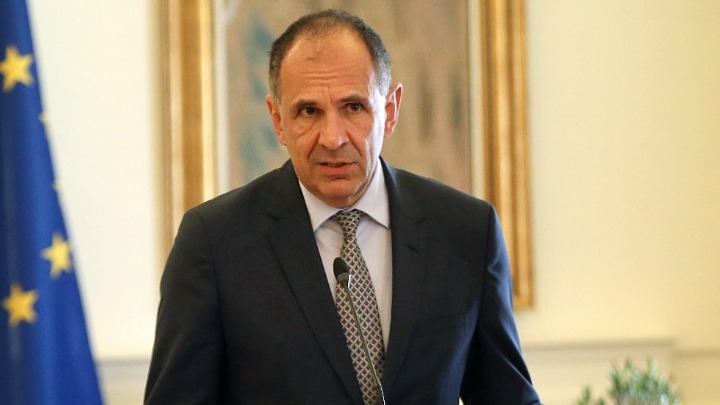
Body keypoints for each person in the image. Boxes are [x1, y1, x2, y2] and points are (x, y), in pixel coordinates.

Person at [145, 9, 541, 405]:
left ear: (389, 111)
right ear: (278, 120)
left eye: (353, 107)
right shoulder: (215, 243)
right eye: (309, 111)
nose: (333, 138)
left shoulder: (466, 232)